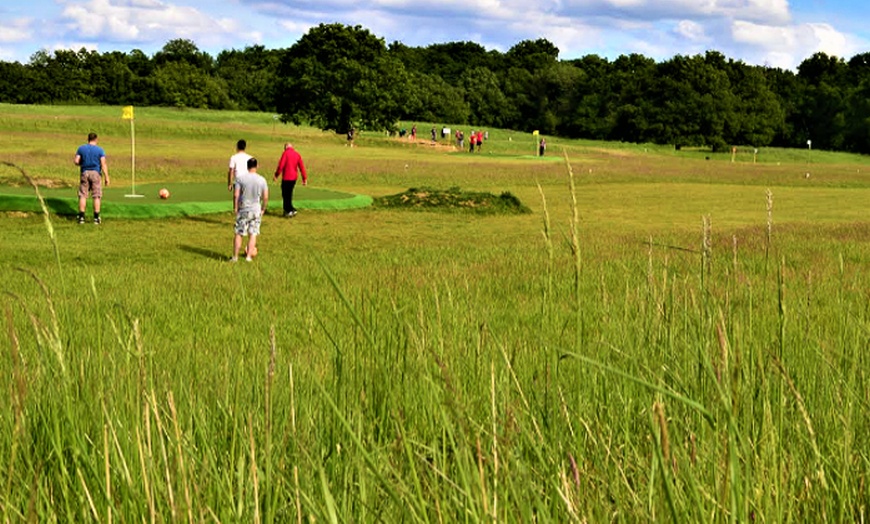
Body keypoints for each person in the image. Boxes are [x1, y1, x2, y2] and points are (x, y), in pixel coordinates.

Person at [232, 157, 268, 262]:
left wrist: (235, 207)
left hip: (243, 209)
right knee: (253, 233)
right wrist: (263, 208)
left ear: (247, 167)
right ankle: (248, 257)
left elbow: (236, 195)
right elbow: (265, 197)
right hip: (256, 209)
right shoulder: (262, 179)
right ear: (257, 166)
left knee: (239, 233)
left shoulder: (240, 179)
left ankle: (235, 257)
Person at [74, 132, 110, 224]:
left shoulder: (81, 148)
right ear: (96, 139)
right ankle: (96, 218)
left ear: (88, 139)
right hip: (95, 173)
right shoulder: (100, 150)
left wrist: (82, 163)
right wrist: (107, 177)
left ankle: (81, 217)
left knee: (83, 195)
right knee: (96, 195)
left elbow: (76, 161)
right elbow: (103, 164)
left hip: (84, 172)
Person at [273, 142, 308, 217]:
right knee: (289, 194)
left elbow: (281, 166)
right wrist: (304, 179)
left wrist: (276, 175)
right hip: (294, 178)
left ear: (285, 147)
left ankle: (289, 210)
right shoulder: (297, 154)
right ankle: (290, 209)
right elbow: (301, 167)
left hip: (286, 177)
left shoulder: (285, 153)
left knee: (285, 194)